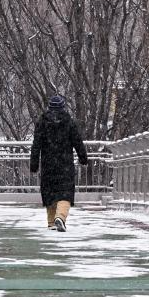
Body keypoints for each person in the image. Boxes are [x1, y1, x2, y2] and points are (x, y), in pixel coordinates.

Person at [30, 95, 88, 231]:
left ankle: (51, 223)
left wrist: (34, 164)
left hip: (48, 164)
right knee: (65, 193)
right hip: (65, 164)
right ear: (63, 107)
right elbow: (78, 142)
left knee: (49, 193)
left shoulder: (42, 122)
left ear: (49, 107)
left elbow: (36, 145)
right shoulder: (69, 122)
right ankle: (60, 217)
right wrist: (83, 158)